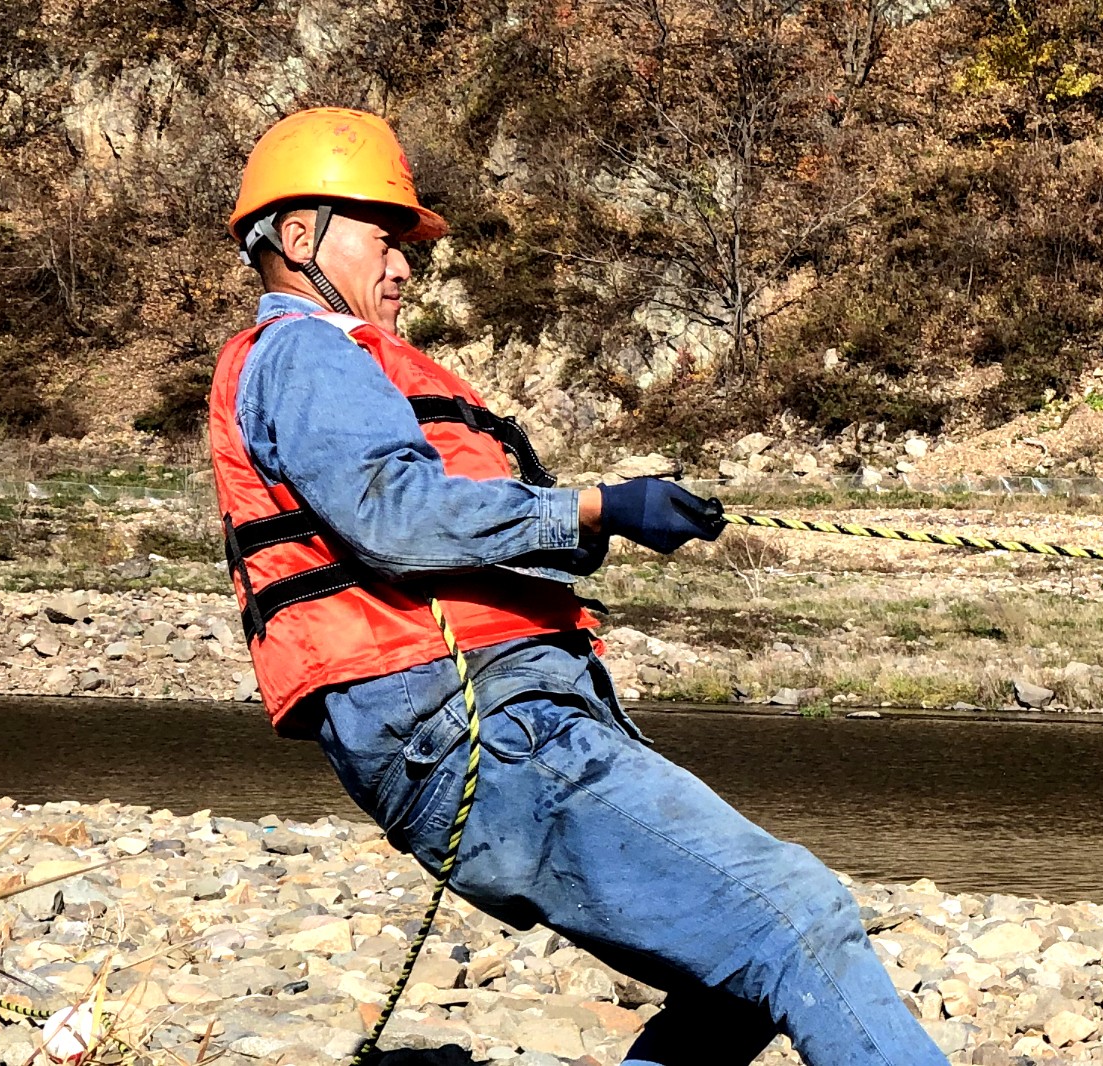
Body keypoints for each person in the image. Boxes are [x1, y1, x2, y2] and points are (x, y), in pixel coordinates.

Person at [209, 107, 949, 1066]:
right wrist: (593, 509)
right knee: (798, 919)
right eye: (387, 241)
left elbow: (425, 519)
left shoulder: (319, 365)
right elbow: (394, 516)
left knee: (734, 973)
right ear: (300, 237)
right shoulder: (308, 351)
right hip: (481, 728)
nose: (404, 269)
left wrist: (599, 529)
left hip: (481, 730)